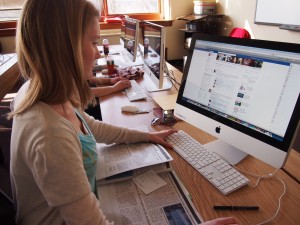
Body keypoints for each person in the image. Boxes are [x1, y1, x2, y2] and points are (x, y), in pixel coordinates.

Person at [10, 1, 239, 225]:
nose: (98, 52)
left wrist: (146, 136)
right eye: (93, 42)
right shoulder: (50, 135)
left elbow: (91, 126)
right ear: (64, 49)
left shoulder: (47, 92)